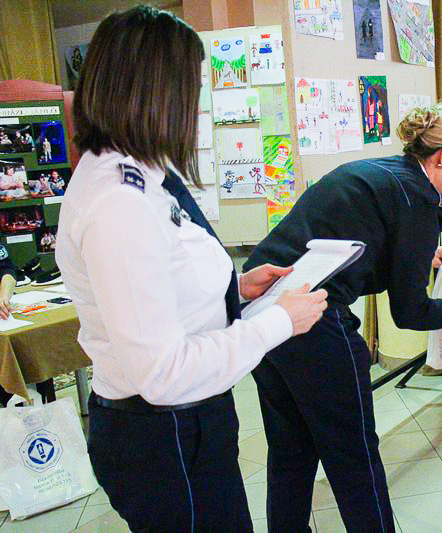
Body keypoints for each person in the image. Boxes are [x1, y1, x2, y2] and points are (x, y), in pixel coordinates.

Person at [55, 7, 328, 532]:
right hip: (163, 435)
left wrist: (237, 290)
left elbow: (161, 285)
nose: (196, 107)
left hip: (187, 425)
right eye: (192, 88)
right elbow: (163, 373)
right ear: (156, 92)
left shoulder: (142, 175)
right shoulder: (119, 202)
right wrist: (278, 323)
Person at [244, 103, 442, 533]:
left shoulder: (382, 172)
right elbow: (409, 312)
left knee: (291, 448)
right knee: (355, 453)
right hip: (311, 318)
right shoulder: (419, 197)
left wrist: (418, 256)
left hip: (260, 306)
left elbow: (364, 243)